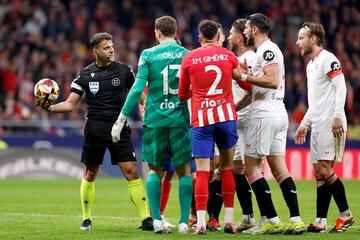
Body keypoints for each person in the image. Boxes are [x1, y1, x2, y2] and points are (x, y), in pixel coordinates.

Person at [37, 32, 152, 231]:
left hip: (119, 127)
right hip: (95, 129)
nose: (112, 50)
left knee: (132, 171)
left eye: (112, 46)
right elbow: (70, 104)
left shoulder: (124, 71)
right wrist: (50, 108)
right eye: (107, 48)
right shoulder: (85, 74)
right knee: (91, 172)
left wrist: (147, 112)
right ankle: (86, 218)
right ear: (96, 51)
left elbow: (141, 97)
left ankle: (145, 219)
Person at [111, 16, 193, 234]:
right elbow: (193, 90)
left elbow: (137, 89)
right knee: (184, 172)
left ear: (157, 32)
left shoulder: (148, 55)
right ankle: (185, 222)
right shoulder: (187, 55)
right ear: (175, 32)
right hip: (180, 119)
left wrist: (121, 118)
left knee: (154, 171)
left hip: (155, 120)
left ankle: (156, 220)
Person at [178, 19, 251, 235]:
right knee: (226, 169)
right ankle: (228, 220)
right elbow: (246, 85)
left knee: (202, 172)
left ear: (199, 38)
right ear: (218, 36)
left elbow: (182, 93)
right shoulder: (228, 56)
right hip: (226, 117)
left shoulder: (189, 58)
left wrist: (197, 94)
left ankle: (200, 223)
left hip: (202, 120)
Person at [238, 13, 305, 234]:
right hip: (276, 113)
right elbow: (256, 92)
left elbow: (272, 80)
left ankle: (271, 220)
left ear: (255, 29)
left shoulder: (267, 50)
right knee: (279, 170)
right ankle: (296, 220)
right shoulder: (264, 51)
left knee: (251, 169)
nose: (245, 31)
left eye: (246, 28)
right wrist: (234, 109)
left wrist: (243, 77)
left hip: (264, 115)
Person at [295, 21, 354, 233]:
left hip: (331, 123)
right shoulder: (311, 65)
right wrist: (304, 123)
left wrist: (338, 114)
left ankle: (346, 214)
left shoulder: (329, 59)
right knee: (319, 174)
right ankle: (320, 221)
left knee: (324, 169)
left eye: (301, 38)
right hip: (318, 124)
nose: (297, 42)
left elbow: (341, 88)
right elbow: (315, 102)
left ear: (313, 39)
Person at [227, 18, 257, 232]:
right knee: (237, 170)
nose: (228, 37)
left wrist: (234, 109)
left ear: (239, 37)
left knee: (252, 170)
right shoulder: (239, 58)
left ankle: (269, 216)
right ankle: (248, 217)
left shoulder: (249, 58)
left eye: (230, 33)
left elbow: (253, 90)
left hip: (249, 120)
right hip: (239, 122)